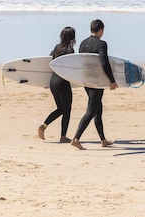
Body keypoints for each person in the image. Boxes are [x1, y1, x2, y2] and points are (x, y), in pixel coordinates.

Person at [71, 19, 118, 150]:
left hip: (86, 81)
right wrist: (112, 81)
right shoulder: (101, 44)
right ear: (101, 30)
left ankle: (103, 140)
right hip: (97, 82)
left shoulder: (83, 43)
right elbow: (104, 63)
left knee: (98, 108)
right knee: (91, 110)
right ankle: (76, 138)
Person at [38, 26, 76, 143]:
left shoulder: (56, 48)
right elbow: (72, 68)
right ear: (72, 37)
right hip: (62, 82)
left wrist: (44, 82)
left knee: (60, 109)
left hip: (53, 82)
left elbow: (50, 64)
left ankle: (43, 126)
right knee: (67, 110)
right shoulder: (70, 50)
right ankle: (63, 136)